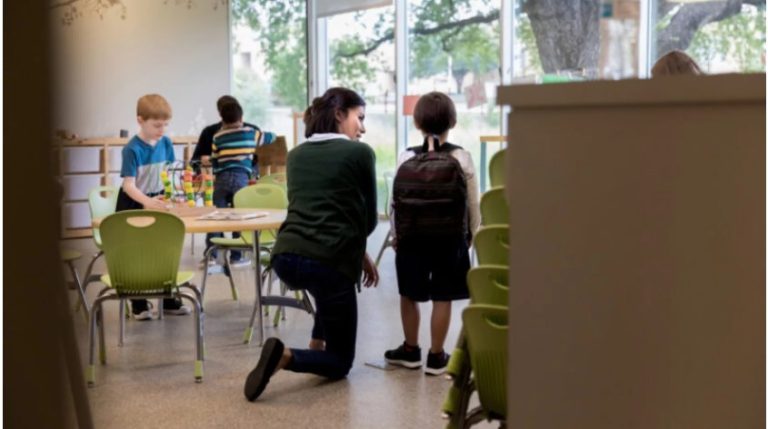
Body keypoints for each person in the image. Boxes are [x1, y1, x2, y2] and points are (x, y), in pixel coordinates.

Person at [244, 87, 379, 402]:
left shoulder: (297, 154)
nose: (363, 127)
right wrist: (356, 251)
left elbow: (311, 210)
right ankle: (287, 357)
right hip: (329, 261)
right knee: (341, 362)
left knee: (325, 291)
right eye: (359, 118)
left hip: (286, 257)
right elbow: (368, 219)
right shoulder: (360, 153)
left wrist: (357, 253)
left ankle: (315, 344)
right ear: (338, 115)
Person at [384, 92, 480, 375]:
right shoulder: (461, 156)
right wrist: (469, 237)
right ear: (452, 120)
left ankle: (411, 350)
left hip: (411, 239)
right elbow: (472, 204)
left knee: (408, 294)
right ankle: (437, 356)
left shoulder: (405, 157)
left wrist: (395, 237)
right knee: (443, 295)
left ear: (417, 123)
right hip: (449, 239)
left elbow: (394, 205)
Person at [115, 93, 190, 320]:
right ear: (140, 120)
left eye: (165, 125)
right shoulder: (132, 149)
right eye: (157, 125)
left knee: (165, 248)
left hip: (157, 199)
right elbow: (128, 185)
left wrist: (173, 195)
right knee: (136, 252)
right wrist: (147, 202)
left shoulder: (166, 143)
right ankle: (138, 302)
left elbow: (168, 173)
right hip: (133, 202)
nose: (162, 129)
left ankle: (167, 298)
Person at [192, 95, 261, 264]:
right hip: (242, 179)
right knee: (239, 215)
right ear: (241, 115)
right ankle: (237, 256)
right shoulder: (251, 131)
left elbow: (203, 158)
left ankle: (211, 254)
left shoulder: (215, 134)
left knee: (215, 215)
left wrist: (213, 161)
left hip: (221, 179)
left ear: (220, 114)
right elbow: (260, 155)